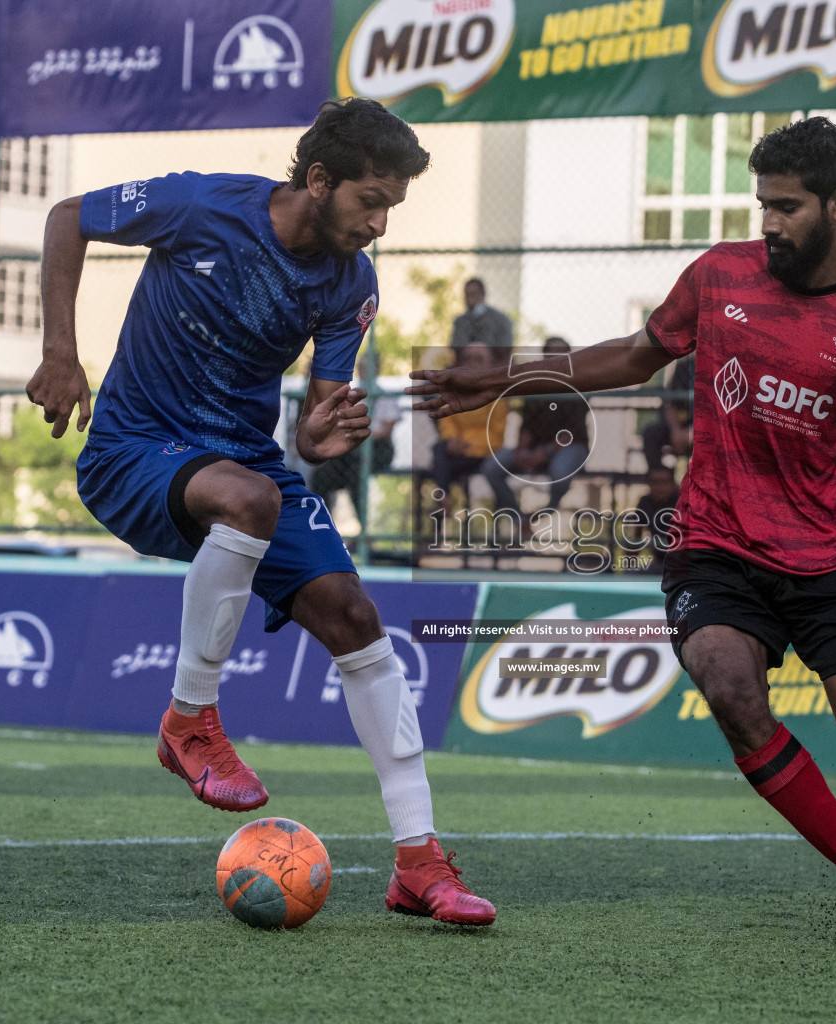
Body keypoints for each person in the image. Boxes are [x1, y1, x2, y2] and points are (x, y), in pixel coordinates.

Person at [411, 116, 836, 954]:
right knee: (728, 686)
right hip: (718, 539)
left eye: (788, 207)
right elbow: (632, 356)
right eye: (762, 203)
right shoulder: (719, 274)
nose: (769, 222)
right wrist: (496, 379)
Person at [24, 98, 494, 925]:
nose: (381, 224)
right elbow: (69, 218)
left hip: (248, 468)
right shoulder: (204, 206)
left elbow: (316, 428)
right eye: (370, 202)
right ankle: (190, 719)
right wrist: (61, 351)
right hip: (134, 450)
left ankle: (421, 864)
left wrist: (320, 435)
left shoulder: (352, 284)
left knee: (355, 616)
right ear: (319, 180)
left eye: (392, 207)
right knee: (249, 498)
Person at [482, 337, 590, 517]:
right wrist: (521, 452)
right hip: (537, 448)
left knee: (560, 471)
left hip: (571, 448)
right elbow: (526, 427)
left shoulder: (578, 384)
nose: (555, 356)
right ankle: (518, 517)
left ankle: (547, 510)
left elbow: (571, 434)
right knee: (491, 467)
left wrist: (545, 452)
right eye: (551, 351)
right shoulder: (534, 384)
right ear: (544, 355)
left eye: (561, 352)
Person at [430, 343, 505, 520]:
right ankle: (444, 499)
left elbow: (496, 435)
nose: (472, 363)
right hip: (456, 452)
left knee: (440, 462)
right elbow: (447, 421)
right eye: (468, 358)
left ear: (489, 364)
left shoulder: (498, 395)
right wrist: (451, 440)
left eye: (478, 359)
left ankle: (443, 501)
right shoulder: (454, 391)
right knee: (440, 453)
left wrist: (467, 444)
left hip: (483, 454)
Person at [309, 392, 401, 518]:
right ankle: (324, 522)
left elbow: (387, 431)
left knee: (355, 471)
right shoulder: (354, 396)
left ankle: (363, 525)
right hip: (355, 447)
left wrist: (364, 433)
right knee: (321, 475)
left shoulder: (385, 397)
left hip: (378, 447)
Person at [641, 354, 695, 472]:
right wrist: (676, 431)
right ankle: (661, 479)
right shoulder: (684, 367)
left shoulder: (721, 369)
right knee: (651, 433)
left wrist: (693, 433)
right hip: (683, 428)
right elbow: (670, 404)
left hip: (708, 431)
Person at [630, 464, 680, 574]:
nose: (659, 487)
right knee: (632, 573)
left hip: (684, 564)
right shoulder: (645, 502)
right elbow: (635, 539)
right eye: (655, 482)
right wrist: (630, 568)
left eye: (664, 482)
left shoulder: (683, 502)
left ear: (673, 484)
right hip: (659, 563)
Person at [449, 277, 513, 360]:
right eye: (467, 295)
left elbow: (505, 348)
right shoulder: (460, 322)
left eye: (474, 294)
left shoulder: (500, 320)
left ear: (483, 294)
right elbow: (456, 347)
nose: (470, 299)